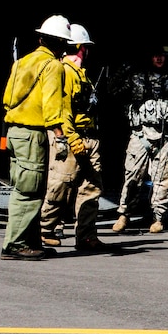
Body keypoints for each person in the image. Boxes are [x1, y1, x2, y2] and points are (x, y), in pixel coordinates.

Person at [0, 15, 71, 260]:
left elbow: (8, 98)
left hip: (14, 133)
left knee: (25, 188)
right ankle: (15, 245)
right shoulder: (53, 66)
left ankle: (30, 241)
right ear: (62, 45)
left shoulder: (22, 62)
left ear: (41, 38)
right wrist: (60, 136)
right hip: (32, 135)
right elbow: (52, 105)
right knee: (29, 192)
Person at [110, 45, 168, 234]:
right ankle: (124, 214)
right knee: (132, 176)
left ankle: (158, 218)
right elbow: (113, 91)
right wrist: (125, 68)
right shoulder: (136, 77)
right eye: (156, 55)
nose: (159, 59)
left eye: (163, 55)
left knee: (164, 179)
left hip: (165, 136)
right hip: (141, 134)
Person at [38, 24, 107, 251]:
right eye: (85, 47)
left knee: (91, 188)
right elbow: (62, 110)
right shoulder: (64, 72)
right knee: (61, 185)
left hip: (89, 138)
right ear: (80, 47)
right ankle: (45, 231)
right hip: (72, 138)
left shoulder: (82, 75)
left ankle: (86, 235)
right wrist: (72, 140)